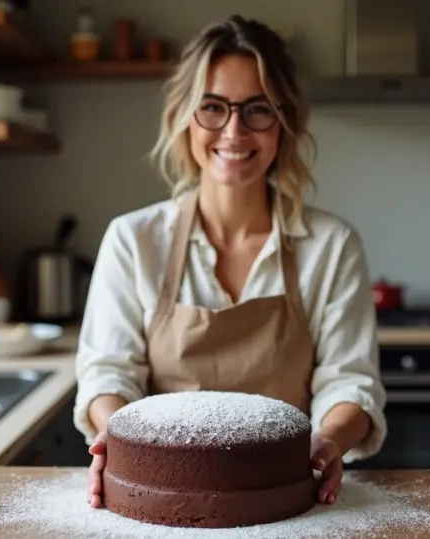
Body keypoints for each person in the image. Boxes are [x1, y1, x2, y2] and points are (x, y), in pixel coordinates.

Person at [74, 14, 387, 509]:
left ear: (285, 122)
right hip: (159, 504)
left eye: (258, 109)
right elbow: (107, 375)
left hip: (285, 501)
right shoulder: (135, 240)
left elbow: (350, 380)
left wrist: (329, 439)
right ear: (184, 115)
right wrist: (119, 442)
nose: (235, 130)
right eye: (213, 107)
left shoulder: (330, 245)